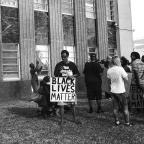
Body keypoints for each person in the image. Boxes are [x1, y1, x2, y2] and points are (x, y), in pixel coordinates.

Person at [54, 50, 80, 126]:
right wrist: (59, 70)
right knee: (61, 105)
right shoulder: (58, 65)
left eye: (64, 57)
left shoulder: (72, 65)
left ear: (68, 56)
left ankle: (74, 119)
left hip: (70, 86)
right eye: (62, 57)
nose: (63, 58)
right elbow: (55, 74)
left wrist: (73, 76)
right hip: (62, 86)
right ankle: (62, 120)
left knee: (72, 104)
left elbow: (78, 74)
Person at [107, 56, 132, 126]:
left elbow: (109, 81)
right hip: (121, 90)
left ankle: (117, 121)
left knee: (115, 108)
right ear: (118, 62)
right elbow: (126, 78)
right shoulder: (121, 69)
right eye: (120, 61)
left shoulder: (109, 70)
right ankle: (127, 122)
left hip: (113, 90)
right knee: (125, 107)